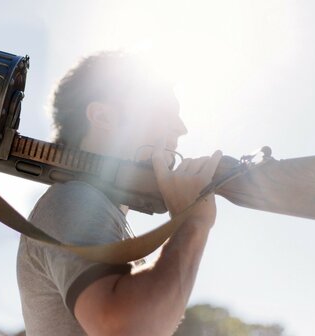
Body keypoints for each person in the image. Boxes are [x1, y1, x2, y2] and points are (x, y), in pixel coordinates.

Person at [16, 52, 222, 336]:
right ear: (103, 116)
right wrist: (193, 224)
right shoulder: (76, 199)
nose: (180, 127)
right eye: (162, 111)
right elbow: (125, 327)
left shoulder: (95, 206)